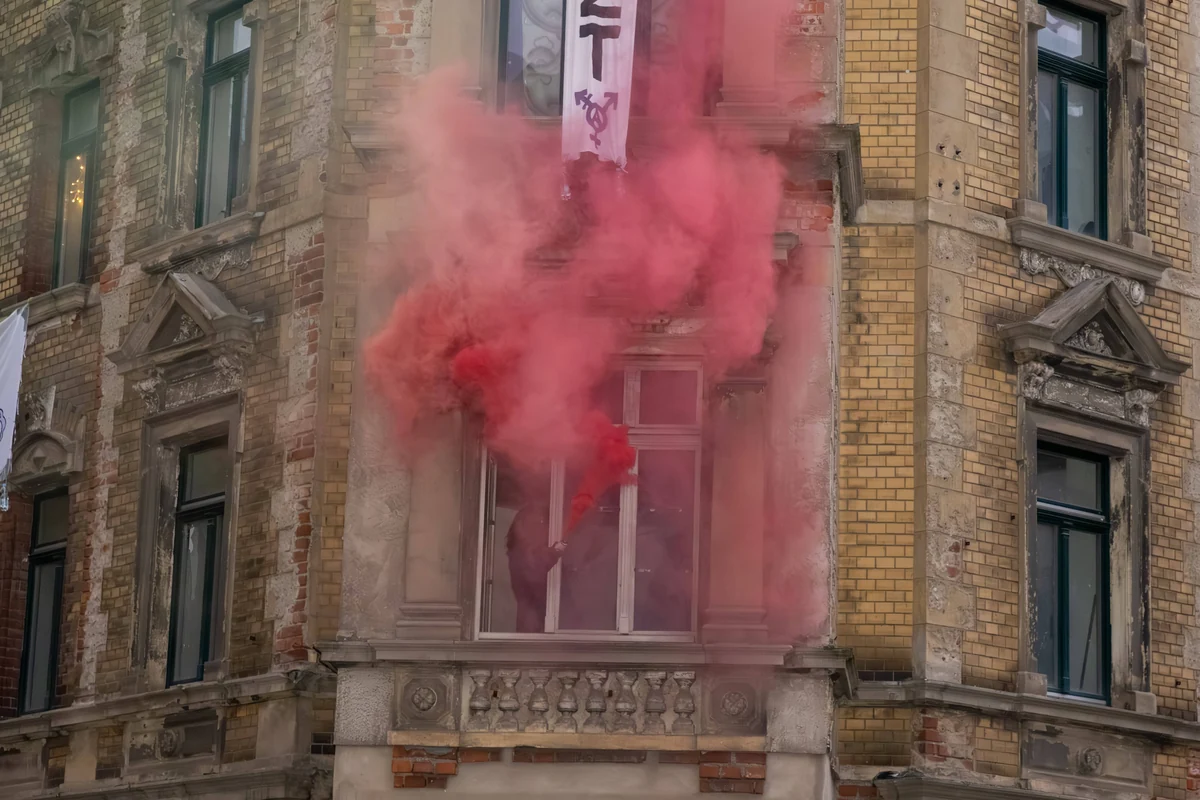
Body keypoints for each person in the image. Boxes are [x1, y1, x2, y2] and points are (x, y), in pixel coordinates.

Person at [506, 481, 568, 633]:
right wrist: (554, 551)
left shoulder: (525, 517)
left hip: (535, 620)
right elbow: (533, 564)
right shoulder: (530, 517)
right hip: (534, 626)